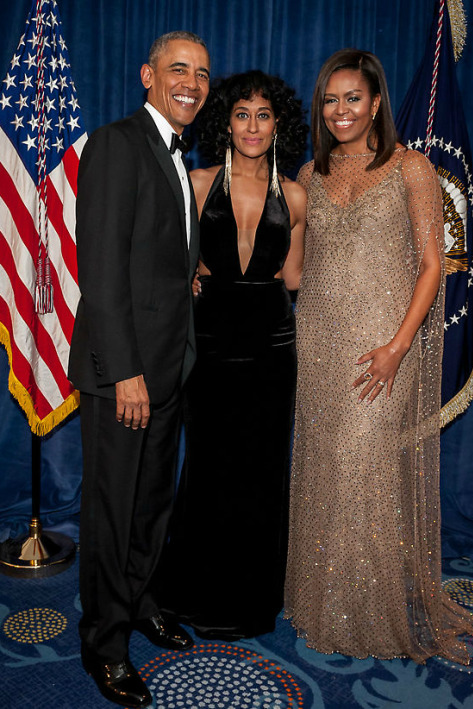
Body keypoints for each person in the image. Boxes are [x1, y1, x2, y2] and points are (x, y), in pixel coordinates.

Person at [284, 49, 473, 664]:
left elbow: (432, 267)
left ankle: (372, 611)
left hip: (381, 347)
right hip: (317, 343)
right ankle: (322, 599)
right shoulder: (308, 175)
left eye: (353, 99)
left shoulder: (411, 168)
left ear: (375, 104)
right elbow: (292, 272)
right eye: (331, 99)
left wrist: (398, 347)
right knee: (324, 471)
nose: (341, 111)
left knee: (366, 471)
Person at [68, 31, 210, 708]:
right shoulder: (117, 143)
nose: (192, 82)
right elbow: (98, 267)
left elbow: (152, 254)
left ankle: (142, 599)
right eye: (179, 69)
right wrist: (125, 370)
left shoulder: (178, 155)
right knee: (112, 512)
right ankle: (103, 642)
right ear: (147, 75)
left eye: (202, 73)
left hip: (167, 368)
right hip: (123, 374)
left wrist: (189, 275)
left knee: (152, 504)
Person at [161, 70, 307, 640]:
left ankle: (250, 598)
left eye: (263, 115)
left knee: (262, 469)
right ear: (226, 120)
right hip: (211, 342)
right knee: (208, 464)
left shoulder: (294, 194)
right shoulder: (195, 182)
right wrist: (190, 276)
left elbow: (292, 276)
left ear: (279, 125)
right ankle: (195, 591)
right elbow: (172, 260)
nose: (252, 126)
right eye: (242, 114)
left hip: (271, 344)